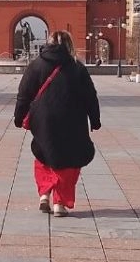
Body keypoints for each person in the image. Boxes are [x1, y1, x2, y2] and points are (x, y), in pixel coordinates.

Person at [14, 31, 100, 217]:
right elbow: (90, 96)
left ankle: (44, 195)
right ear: (70, 44)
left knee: (44, 154)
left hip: (43, 120)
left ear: (48, 43)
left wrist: (19, 117)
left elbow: (24, 94)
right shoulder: (77, 67)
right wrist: (95, 119)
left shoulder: (36, 65)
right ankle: (59, 204)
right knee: (69, 161)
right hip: (73, 121)